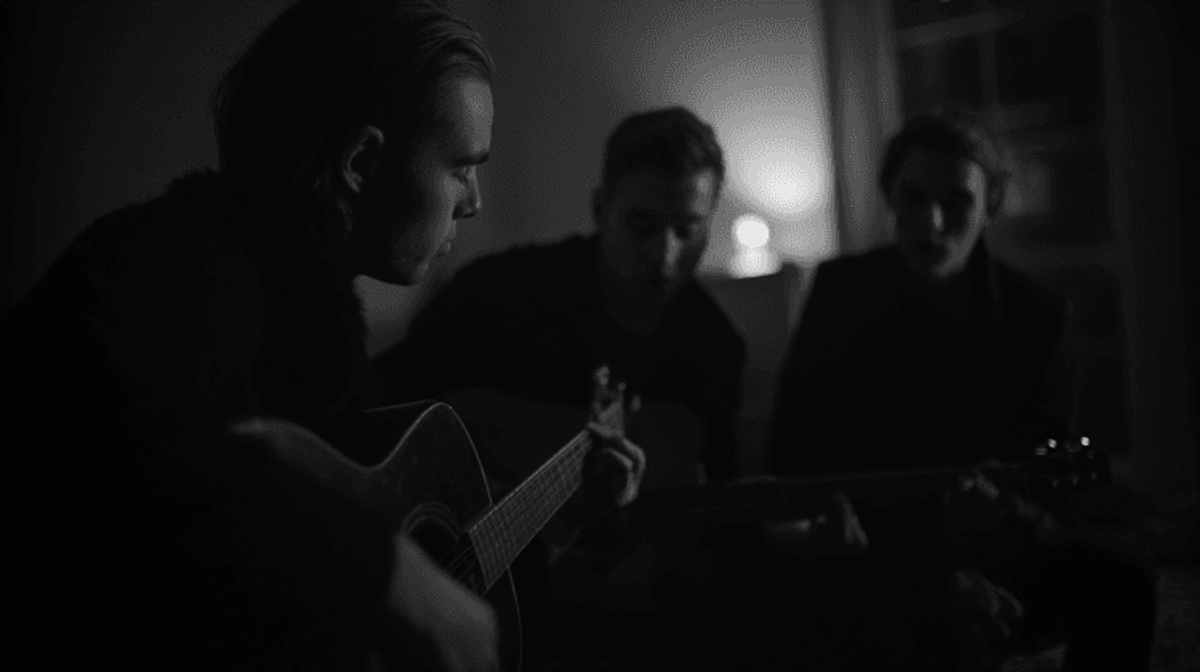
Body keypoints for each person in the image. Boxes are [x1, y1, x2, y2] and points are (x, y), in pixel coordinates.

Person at [0, 2, 643, 671]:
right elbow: (131, 453)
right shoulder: (167, 263)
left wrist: (567, 514)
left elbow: (430, 586)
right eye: (460, 165)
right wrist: (388, 573)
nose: (474, 199)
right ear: (362, 162)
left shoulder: (322, 346)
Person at [373, 105, 867, 671]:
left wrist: (785, 542)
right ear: (601, 208)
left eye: (688, 230)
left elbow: (716, 509)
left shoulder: (713, 347)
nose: (665, 254)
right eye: (643, 226)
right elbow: (379, 409)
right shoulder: (497, 294)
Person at [765, 107, 1159, 671]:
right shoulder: (840, 293)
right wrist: (930, 573)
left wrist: (1000, 522)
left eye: (956, 203)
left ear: (990, 206)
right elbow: (793, 449)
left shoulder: (1036, 314)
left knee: (1127, 573)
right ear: (890, 198)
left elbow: (1049, 480)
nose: (931, 223)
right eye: (914, 198)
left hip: (997, 534)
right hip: (873, 543)